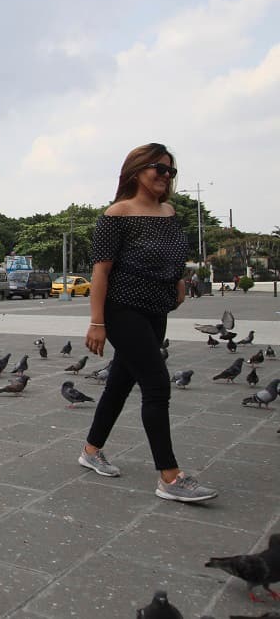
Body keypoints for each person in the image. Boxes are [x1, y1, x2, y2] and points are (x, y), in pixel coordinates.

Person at [81, 142, 217, 503]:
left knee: (120, 384)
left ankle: (91, 451)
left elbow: (175, 256)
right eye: (159, 169)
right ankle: (169, 477)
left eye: (171, 171)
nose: (165, 176)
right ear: (136, 170)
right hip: (123, 310)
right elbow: (101, 272)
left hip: (157, 310)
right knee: (157, 384)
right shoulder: (117, 214)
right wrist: (97, 323)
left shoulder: (170, 212)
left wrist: (178, 282)